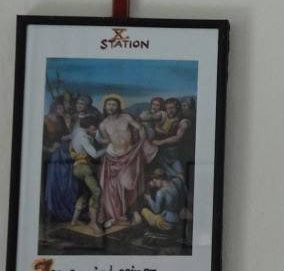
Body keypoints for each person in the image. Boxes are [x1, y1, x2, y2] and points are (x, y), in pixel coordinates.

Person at [98, 95, 158, 228]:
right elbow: (107, 140)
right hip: (113, 157)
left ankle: (134, 211)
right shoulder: (103, 125)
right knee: (113, 189)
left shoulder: (126, 117)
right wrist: (99, 140)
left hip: (130, 155)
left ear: (119, 106)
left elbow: (140, 128)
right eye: (108, 104)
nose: (111, 107)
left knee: (128, 183)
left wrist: (142, 141)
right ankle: (116, 217)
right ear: (105, 107)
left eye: (114, 104)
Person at [69, 116, 105, 235]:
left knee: (87, 193)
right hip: (84, 168)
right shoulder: (83, 137)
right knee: (96, 192)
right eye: (94, 128)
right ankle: (93, 223)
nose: (95, 130)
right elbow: (95, 154)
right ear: (88, 127)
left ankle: (74, 221)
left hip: (77, 167)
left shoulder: (78, 131)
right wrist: (108, 149)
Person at [42, 101, 78, 222]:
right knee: (54, 181)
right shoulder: (45, 120)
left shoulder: (61, 119)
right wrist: (50, 148)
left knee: (67, 180)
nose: (63, 110)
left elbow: (65, 134)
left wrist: (69, 135)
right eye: (60, 108)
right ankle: (53, 209)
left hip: (62, 151)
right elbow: (41, 140)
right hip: (52, 155)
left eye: (63, 108)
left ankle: (65, 207)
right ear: (54, 108)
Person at [152, 98, 192, 178]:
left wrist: (160, 142)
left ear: (177, 108)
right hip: (161, 153)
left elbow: (177, 138)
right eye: (167, 108)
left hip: (175, 153)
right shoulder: (165, 118)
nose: (169, 111)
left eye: (172, 108)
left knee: (179, 175)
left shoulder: (184, 121)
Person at [141, 168, 187, 232]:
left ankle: (150, 231)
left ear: (160, 179)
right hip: (179, 218)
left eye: (155, 182)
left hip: (168, 223)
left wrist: (149, 199)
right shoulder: (177, 181)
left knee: (144, 210)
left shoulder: (161, 193)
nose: (155, 185)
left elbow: (157, 211)